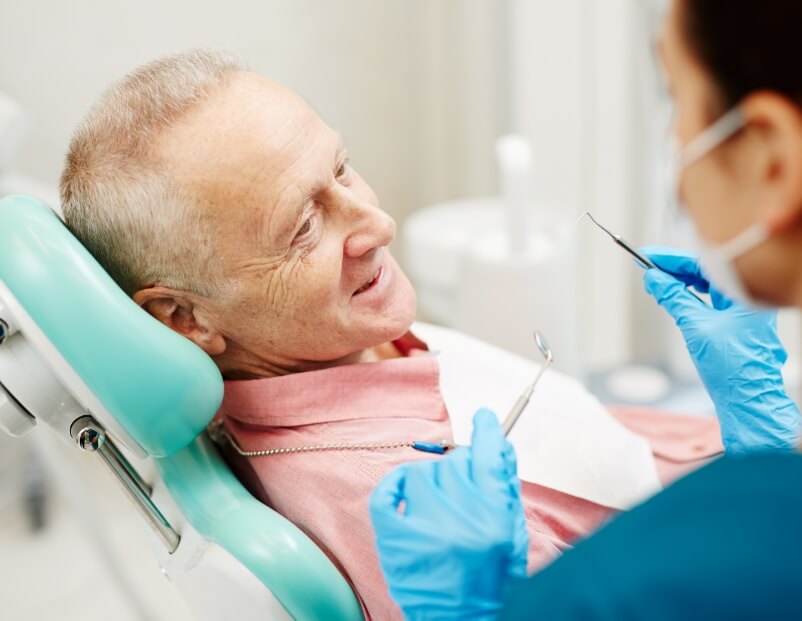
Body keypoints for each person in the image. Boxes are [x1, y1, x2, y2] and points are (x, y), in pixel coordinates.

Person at [60, 50, 723, 619]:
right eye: (302, 228)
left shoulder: (333, 339)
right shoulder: (392, 508)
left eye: (342, 168)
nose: (376, 223)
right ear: (186, 318)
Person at [369, 0, 802, 618]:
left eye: (673, 98)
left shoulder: (634, 584)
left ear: (773, 160)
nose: (677, 151)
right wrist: (766, 459)